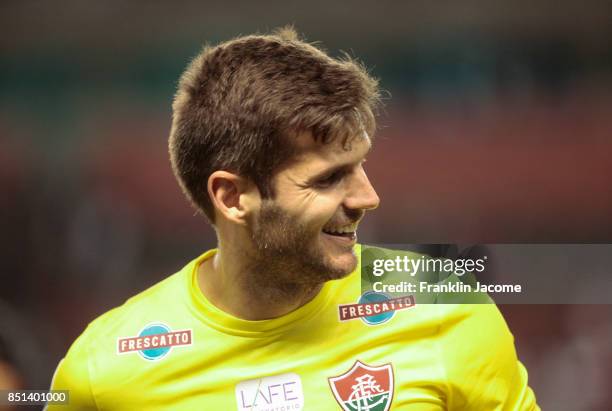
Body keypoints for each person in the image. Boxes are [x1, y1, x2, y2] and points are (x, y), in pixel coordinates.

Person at [47, 28, 539, 410]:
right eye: (328, 179)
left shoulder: (444, 307)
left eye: (360, 166)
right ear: (233, 197)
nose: (368, 197)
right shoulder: (103, 371)